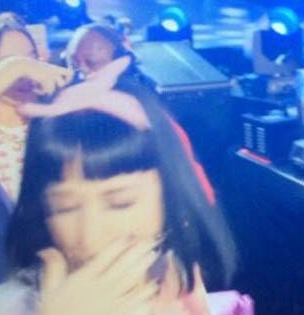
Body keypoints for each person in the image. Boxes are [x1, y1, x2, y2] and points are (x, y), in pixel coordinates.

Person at [0, 74, 279, 315]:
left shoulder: (176, 284)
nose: (91, 236)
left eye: (120, 203)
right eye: (65, 207)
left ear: (171, 200)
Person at [0, 12, 73, 302]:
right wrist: (15, 68)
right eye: (8, 64)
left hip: (64, 275)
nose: (28, 73)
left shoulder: (58, 116)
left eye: (31, 58)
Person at [63, 22, 216, 205]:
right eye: (74, 64)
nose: (81, 73)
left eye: (92, 63)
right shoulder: (63, 117)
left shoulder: (148, 119)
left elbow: (195, 191)